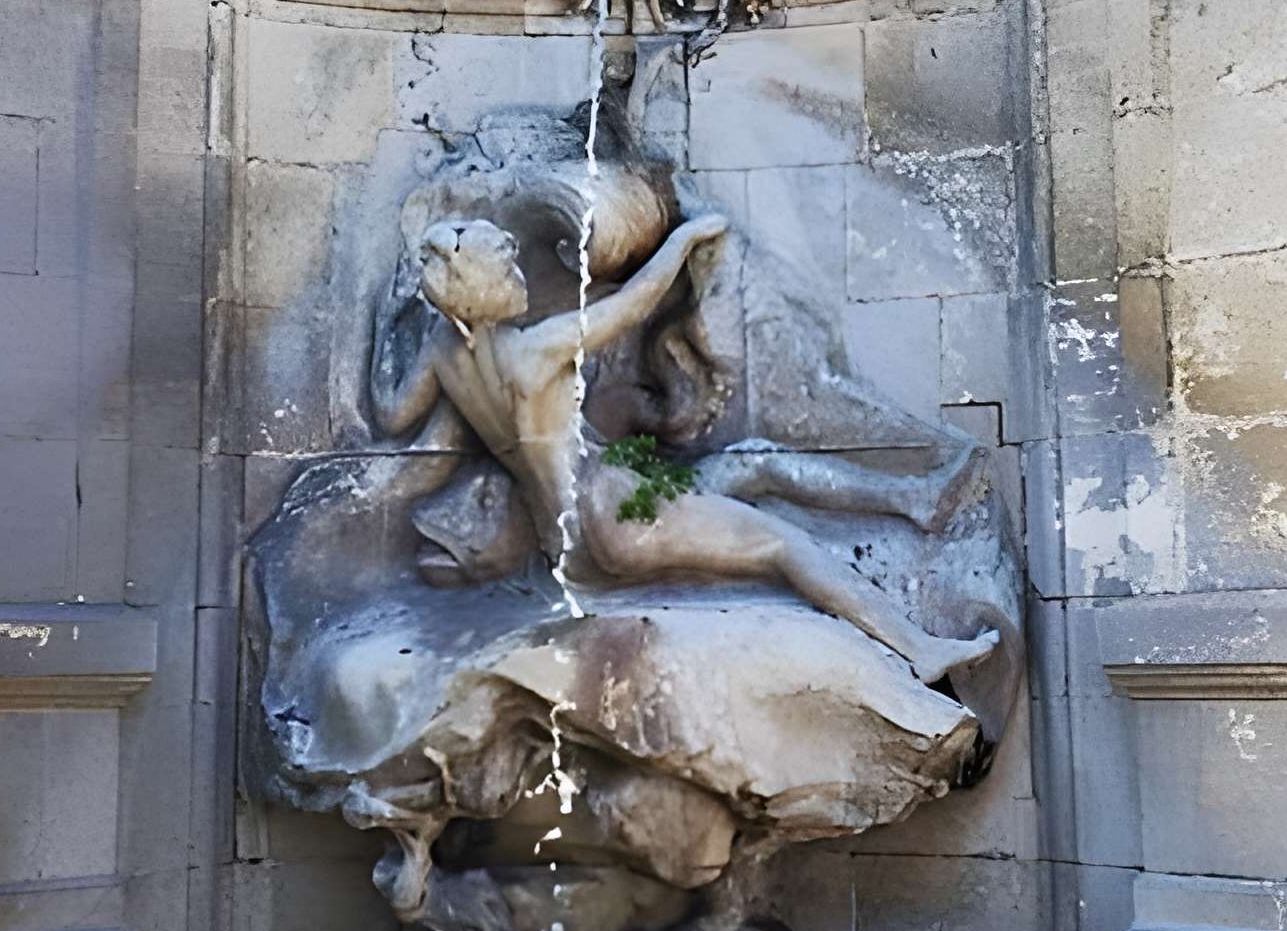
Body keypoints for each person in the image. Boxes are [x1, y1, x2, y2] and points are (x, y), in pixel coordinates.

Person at [371, 210, 997, 689]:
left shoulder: (440, 354)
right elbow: (633, 305)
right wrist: (685, 237)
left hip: (567, 541)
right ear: (476, 288)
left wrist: (392, 320)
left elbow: (392, 412)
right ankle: (920, 650)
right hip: (613, 514)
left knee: (753, 462)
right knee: (782, 544)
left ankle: (910, 498)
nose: (519, 275)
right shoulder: (536, 348)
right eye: (506, 269)